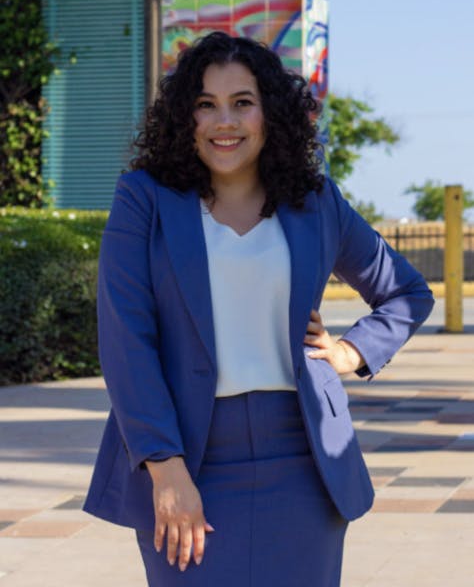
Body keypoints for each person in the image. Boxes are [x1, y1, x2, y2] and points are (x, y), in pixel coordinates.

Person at [83, 31, 434, 587]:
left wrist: (351, 352)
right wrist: (164, 467)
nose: (225, 121)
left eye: (242, 103)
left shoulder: (316, 201)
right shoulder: (143, 199)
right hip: (185, 458)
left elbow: (407, 292)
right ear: (184, 118)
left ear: (270, 113)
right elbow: (127, 340)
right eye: (206, 105)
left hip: (304, 462)